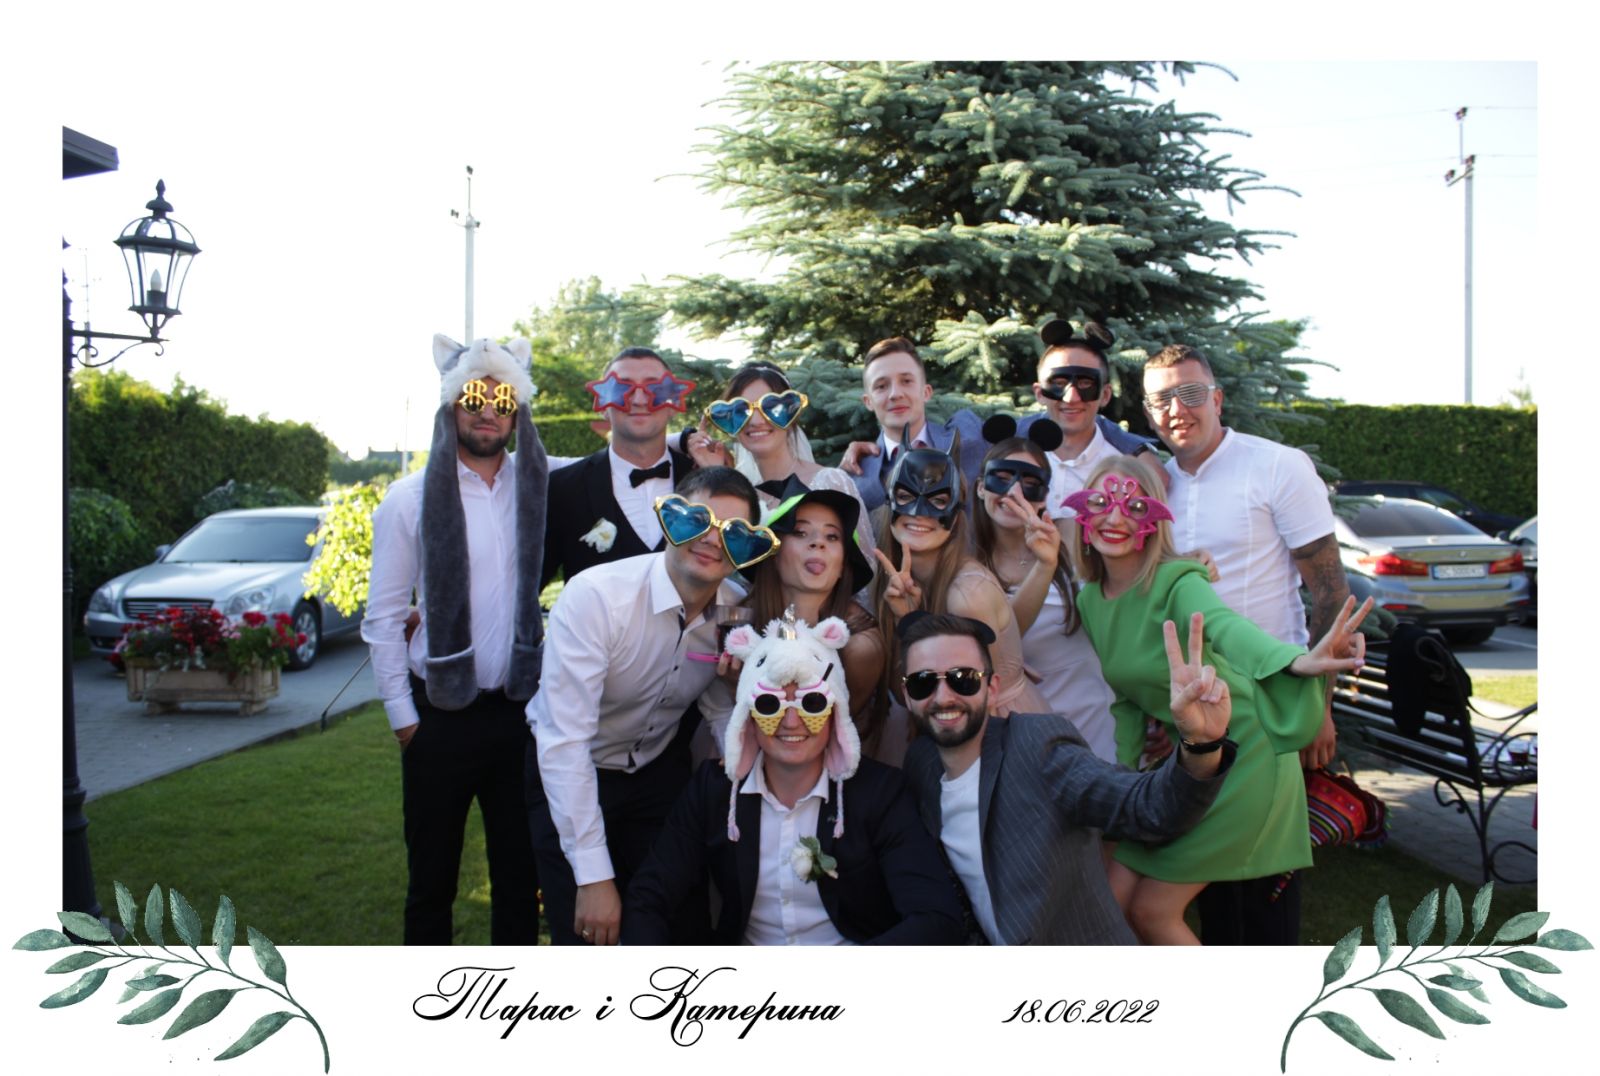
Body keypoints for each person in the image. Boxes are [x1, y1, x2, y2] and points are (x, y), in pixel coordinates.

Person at [1065, 453, 1372, 944]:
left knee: (1152, 912)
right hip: (1188, 763)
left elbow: (1226, 628)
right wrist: (1126, 787)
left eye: (1134, 506)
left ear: (1154, 519)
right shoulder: (1090, 599)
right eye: (1101, 502)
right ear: (1083, 512)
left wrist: (1295, 662)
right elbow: (1126, 700)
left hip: (1244, 754)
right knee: (1112, 901)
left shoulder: (1178, 581)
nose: (1115, 518)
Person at [1142, 342, 1354, 944]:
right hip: (1194, 709)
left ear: (1217, 398)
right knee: (1212, 894)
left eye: (1190, 393)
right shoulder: (1152, 484)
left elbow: (1329, 592)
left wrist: (1319, 707)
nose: (1177, 409)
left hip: (1269, 700)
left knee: (1263, 892)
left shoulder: (1277, 466)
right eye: (1161, 399)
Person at [527, 466, 774, 946]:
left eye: (731, 533)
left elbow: (717, 703)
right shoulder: (596, 598)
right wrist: (593, 878)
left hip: (657, 773)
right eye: (697, 521)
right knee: (586, 935)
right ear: (669, 520)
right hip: (572, 769)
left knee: (675, 927)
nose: (711, 540)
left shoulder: (734, 611)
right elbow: (564, 742)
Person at [623, 610, 963, 945]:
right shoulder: (714, 792)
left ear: (835, 712)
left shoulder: (880, 793)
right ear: (748, 716)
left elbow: (935, 919)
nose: (791, 721)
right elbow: (648, 897)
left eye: (811, 703)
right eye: (769, 705)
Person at [363, 334, 547, 945]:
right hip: (437, 720)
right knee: (431, 884)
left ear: (517, 411)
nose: (488, 410)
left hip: (517, 713)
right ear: (451, 405)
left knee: (519, 881)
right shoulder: (409, 498)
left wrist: (688, 443)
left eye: (503, 399)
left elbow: (616, 468)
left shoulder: (539, 484)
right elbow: (385, 616)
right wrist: (404, 720)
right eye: (473, 396)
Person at [898, 612, 1234, 945]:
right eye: (923, 681)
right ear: (907, 694)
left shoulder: (1035, 747)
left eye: (963, 678)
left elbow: (1148, 807)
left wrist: (1201, 743)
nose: (943, 697)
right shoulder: (920, 765)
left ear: (992, 688)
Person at [700, 476, 885, 759]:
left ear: (843, 566)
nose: (818, 543)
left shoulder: (859, 646)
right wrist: (734, 686)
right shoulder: (737, 625)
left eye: (832, 536)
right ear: (773, 554)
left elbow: (826, 739)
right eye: (800, 532)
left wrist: (744, 688)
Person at [872, 436, 1050, 724]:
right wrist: (907, 620)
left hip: (995, 727)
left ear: (955, 515)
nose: (919, 513)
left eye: (938, 501)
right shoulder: (897, 581)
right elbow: (907, 694)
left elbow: (969, 712)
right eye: (905, 497)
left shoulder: (967, 595)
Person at [972, 433, 1118, 762]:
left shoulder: (1073, 537)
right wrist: (1044, 566)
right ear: (981, 487)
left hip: (1095, 715)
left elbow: (1135, 574)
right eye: (1002, 478)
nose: (1014, 493)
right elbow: (1001, 641)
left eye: (1030, 483)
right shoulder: (969, 566)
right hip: (1022, 728)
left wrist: (1184, 559)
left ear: (1045, 496)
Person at [542, 346, 698, 586]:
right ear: (604, 406)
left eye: (654, 389)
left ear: (672, 404)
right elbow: (530, 586)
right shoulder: (562, 488)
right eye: (622, 389)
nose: (639, 400)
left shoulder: (703, 478)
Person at [695, 361, 877, 566]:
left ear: (791, 414)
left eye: (770, 408)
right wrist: (713, 473)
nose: (756, 421)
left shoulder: (830, 482)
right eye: (741, 411)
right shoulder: (740, 497)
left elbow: (865, 565)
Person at [1016, 318, 1155, 530]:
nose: (1071, 398)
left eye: (1085, 383)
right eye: (1059, 383)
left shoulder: (1127, 471)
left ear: (1105, 395)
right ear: (1040, 393)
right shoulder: (1010, 457)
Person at [836, 336, 987, 513]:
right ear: (868, 402)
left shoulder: (969, 436)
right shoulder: (854, 476)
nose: (895, 394)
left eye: (906, 381)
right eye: (881, 386)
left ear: (926, 392)